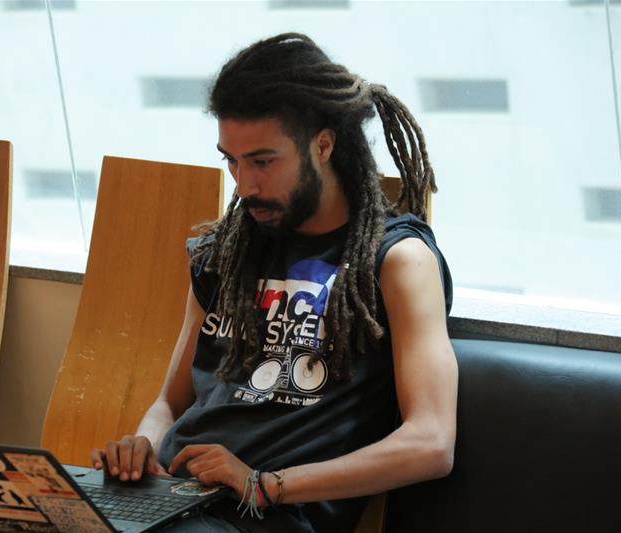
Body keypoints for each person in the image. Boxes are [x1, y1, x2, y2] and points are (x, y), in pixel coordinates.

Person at [91, 33, 457, 533]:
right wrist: (142, 448)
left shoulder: (397, 261)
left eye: (263, 162)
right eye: (231, 160)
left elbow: (432, 443)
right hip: (169, 501)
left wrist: (263, 485)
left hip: (265, 517)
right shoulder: (228, 251)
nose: (244, 185)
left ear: (323, 144)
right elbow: (169, 404)